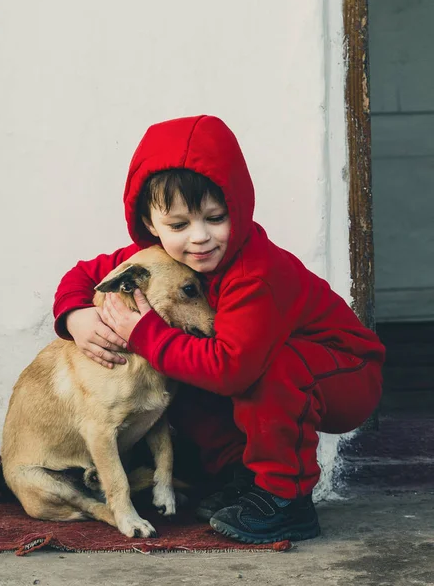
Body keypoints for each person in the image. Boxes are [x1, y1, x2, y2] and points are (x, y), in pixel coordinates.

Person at [53, 115, 385, 544]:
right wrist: (76, 317)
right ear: (152, 225)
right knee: (178, 370)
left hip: (344, 372)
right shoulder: (154, 257)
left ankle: (287, 499)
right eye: (179, 225)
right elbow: (84, 274)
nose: (200, 238)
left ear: (239, 209)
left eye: (215, 217)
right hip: (267, 365)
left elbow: (232, 370)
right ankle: (240, 476)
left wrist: (146, 334)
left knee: (265, 369)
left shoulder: (255, 275)